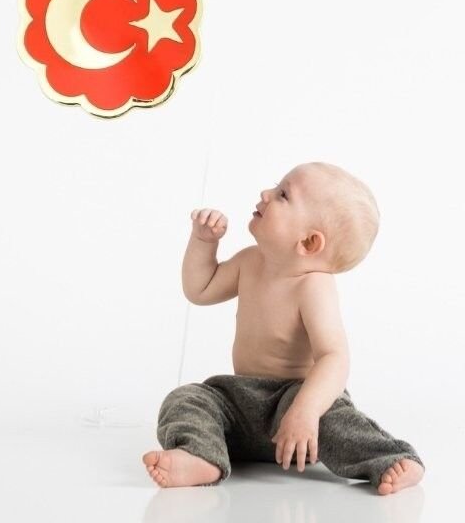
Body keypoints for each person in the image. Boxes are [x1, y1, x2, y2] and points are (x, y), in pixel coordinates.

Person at [143, 162, 424, 495]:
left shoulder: (313, 286)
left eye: (283, 195)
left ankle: (389, 458)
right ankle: (202, 455)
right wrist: (203, 242)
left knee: (335, 420)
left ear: (309, 242)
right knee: (188, 398)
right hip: (241, 401)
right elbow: (200, 290)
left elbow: (334, 356)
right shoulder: (249, 261)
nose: (266, 194)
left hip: (297, 402)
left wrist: (306, 410)